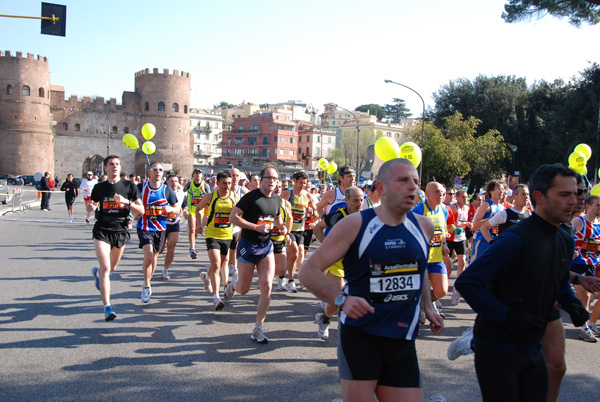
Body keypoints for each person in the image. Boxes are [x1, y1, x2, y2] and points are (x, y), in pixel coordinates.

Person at [299, 158, 444, 402]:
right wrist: (341, 299)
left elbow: (420, 270)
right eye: (403, 180)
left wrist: (427, 305)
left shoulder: (424, 227)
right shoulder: (355, 224)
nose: (413, 187)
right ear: (381, 188)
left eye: (416, 182)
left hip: (403, 340)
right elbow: (308, 271)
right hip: (361, 338)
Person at [455, 164, 590, 402]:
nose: (573, 201)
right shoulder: (515, 240)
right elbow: (468, 282)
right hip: (498, 346)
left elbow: (557, 281)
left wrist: (571, 303)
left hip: (531, 344)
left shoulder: (564, 240)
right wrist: (509, 317)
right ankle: (471, 339)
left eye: (576, 194)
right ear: (539, 197)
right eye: (564, 195)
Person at [225, 165, 287, 344]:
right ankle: (232, 287)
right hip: (248, 245)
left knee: (267, 285)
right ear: (261, 179)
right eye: (268, 178)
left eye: (274, 178)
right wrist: (255, 227)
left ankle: (258, 328)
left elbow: (276, 217)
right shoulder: (250, 197)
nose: (271, 181)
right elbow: (233, 217)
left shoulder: (277, 199)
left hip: (266, 245)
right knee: (244, 289)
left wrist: (281, 227)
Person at [88, 155, 144, 321]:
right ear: (105, 167)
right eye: (111, 164)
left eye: (117, 164)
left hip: (120, 230)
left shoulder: (129, 185)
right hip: (102, 229)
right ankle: (107, 307)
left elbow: (141, 210)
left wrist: (126, 202)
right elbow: (93, 204)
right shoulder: (99, 187)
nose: (115, 167)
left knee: (111, 268)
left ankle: (98, 274)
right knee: (106, 267)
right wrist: (90, 207)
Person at [312, 186, 364, 340]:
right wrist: (326, 245)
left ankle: (326, 320)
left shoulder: (366, 217)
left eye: (361, 200)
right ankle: (335, 328)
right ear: (346, 201)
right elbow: (317, 228)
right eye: (355, 200)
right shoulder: (337, 216)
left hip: (355, 265)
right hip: (336, 264)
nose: (359, 203)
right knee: (340, 297)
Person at [135, 162, 180, 303]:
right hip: (144, 226)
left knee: (154, 257)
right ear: (150, 172)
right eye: (155, 169)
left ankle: (147, 280)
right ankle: (147, 286)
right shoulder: (140, 188)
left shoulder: (167, 190)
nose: (159, 172)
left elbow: (177, 207)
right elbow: (130, 202)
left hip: (160, 228)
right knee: (148, 255)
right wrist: (133, 214)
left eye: (161, 169)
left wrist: (170, 210)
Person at [196, 171, 237, 310]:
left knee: (219, 263)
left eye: (229, 183)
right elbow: (198, 208)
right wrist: (199, 225)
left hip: (227, 235)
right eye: (224, 183)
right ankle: (216, 297)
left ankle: (206, 277)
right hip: (212, 234)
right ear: (218, 183)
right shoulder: (210, 196)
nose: (227, 186)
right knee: (216, 263)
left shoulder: (234, 197)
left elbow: (241, 213)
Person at [412, 182, 454, 317]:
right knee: (417, 289)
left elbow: (442, 230)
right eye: (436, 192)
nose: (440, 195)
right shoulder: (419, 210)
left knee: (442, 291)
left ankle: (424, 303)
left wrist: (444, 244)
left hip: (436, 258)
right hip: (420, 258)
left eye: (442, 192)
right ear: (427, 194)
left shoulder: (444, 210)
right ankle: (416, 311)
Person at [279, 171, 318, 292]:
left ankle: (281, 274)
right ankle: (291, 281)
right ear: (294, 181)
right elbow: (274, 208)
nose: (303, 186)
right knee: (295, 253)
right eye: (301, 183)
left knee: (298, 254)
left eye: (305, 183)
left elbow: (317, 213)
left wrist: (314, 219)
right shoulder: (286, 194)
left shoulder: (307, 196)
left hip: (301, 230)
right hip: (288, 229)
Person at [570, 194, 600, 342]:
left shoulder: (599, 224)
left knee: (587, 295)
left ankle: (587, 324)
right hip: (576, 264)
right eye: (598, 205)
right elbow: (563, 234)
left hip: (592, 264)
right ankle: (584, 327)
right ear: (588, 206)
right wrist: (570, 249)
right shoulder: (579, 222)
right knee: (585, 294)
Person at [470, 180, 505, 263]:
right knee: (476, 268)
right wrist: (493, 219)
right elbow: (475, 225)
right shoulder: (487, 205)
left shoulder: (502, 207)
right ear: (491, 191)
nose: (501, 191)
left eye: (502, 189)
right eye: (498, 189)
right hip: (483, 241)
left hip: (496, 242)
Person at [448, 190, 471, 305]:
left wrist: (467, 224)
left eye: (466, 197)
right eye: (462, 197)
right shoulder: (453, 207)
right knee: (447, 267)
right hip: (450, 239)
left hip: (461, 238)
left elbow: (465, 221)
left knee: (462, 262)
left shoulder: (466, 208)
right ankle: (441, 287)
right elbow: (446, 222)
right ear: (457, 198)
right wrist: (454, 226)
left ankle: (457, 289)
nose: (465, 199)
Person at [161, 175, 186, 280]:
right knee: (160, 249)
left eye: (176, 181)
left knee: (171, 248)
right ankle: (150, 265)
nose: (174, 183)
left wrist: (184, 212)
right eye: (172, 181)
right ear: (167, 182)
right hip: (161, 224)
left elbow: (184, 205)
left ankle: (165, 270)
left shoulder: (181, 194)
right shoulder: (162, 192)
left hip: (174, 223)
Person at [183, 168, 210, 259]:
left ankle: (192, 242)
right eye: (196, 173)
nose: (198, 175)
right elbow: (183, 193)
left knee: (197, 230)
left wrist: (203, 191)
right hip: (192, 209)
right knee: (192, 229)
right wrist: (185, 207)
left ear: (202, 175)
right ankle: (192, 248)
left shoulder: (205, 185)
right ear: (193, 175)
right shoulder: (189, 184)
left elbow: (209, 198)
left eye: (199, 173)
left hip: (201, 211)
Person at [227, 168, 249, 277]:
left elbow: (250, 207)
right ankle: (225, 265)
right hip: (225, 222)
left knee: (235, 246)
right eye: (233, 175)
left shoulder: (243, 191)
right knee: (226, 247)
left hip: (238, 222)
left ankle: (234, 265)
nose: (235, 178)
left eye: (237, 175)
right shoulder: (221, 189)